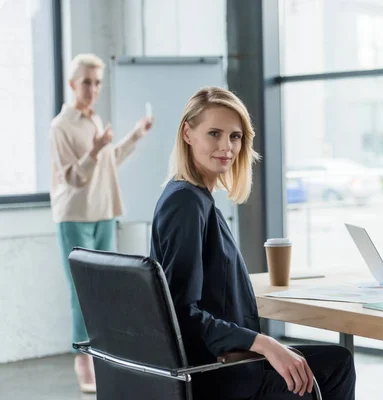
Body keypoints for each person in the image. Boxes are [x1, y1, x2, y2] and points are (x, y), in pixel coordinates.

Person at [149, 86, 356, 400]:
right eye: (215, 134)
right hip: (218, 377)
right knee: (334, 366)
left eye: (235, 136)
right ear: (188, 134)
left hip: (221, 364)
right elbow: (180, 313)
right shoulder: (186, 204)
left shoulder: (193, 198)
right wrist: (265, 344)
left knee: (336, 362)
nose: (227, 147)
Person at [49, 53, 153, 393]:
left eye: (97, 83)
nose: (93, 89)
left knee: (106, 291)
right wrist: (93, 151)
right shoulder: (61, 126)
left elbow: (109, 162)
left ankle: (103, 356)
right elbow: (73, 178)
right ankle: (83, 360)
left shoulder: (94, 120)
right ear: (72, 84)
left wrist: (135, 135)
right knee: (82, 292)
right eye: (87, 83)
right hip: (76, 216)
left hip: (105, 212)